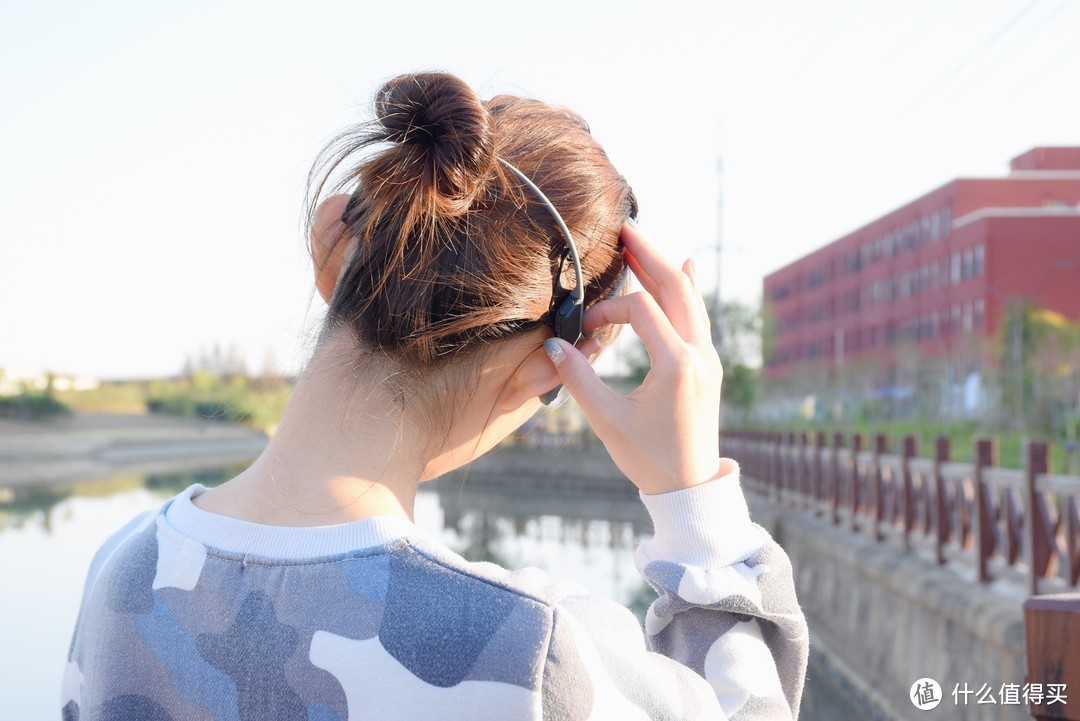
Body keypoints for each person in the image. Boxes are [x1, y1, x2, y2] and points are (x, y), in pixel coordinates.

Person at [62, 72, 808, 721]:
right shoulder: (533, 654)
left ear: (335, 254)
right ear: (553, 364)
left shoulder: (120, 570)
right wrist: (693, 505)